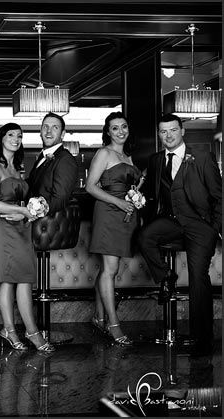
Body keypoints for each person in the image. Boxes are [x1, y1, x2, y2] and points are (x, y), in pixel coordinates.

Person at [138, 113, 221, 356]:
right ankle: (167, 275)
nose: (168, 135)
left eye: (173, 130)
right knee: (144, 236)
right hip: (171, 221)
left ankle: (202, 339)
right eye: (163, 131)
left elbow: (219, 196)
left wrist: (213, 228)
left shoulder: (202, 157)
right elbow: (151, 192)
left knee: (198, 278)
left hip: (200, 224)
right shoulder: (155, 160)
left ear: (182, 131)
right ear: (159, 134)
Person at [0, 122, 55, 352]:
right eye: (11, 135)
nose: (16, 139)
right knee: (8, 279)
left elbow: (23, 200)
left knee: (25, 278)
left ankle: (28, 331)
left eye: (20, 136)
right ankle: (14, 330)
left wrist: (29, 212)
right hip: (3, 227)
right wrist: (22, 211)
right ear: (1, 139)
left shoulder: (18, 168)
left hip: (22, 227)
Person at [86, 112, 141, 346]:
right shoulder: (104, 153)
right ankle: (113, 323)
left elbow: (130, 185)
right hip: (108, 213)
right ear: (107, 132)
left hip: (125, 216)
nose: (120, 131)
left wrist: (135, 197)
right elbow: (90, 187)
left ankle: (99, 317)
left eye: (124, 126)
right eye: (115, 128)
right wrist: (118, 202)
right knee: (110, 268)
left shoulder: (127, 156)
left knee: (108, 268)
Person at [27, 112, 79, 217]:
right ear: (40, 132)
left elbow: (59, 200)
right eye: (45, 127)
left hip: (48, 223)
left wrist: (27, 213)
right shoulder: (42, 157)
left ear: (62, 134)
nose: (49, 131)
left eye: (55, 127)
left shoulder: (65, 160)